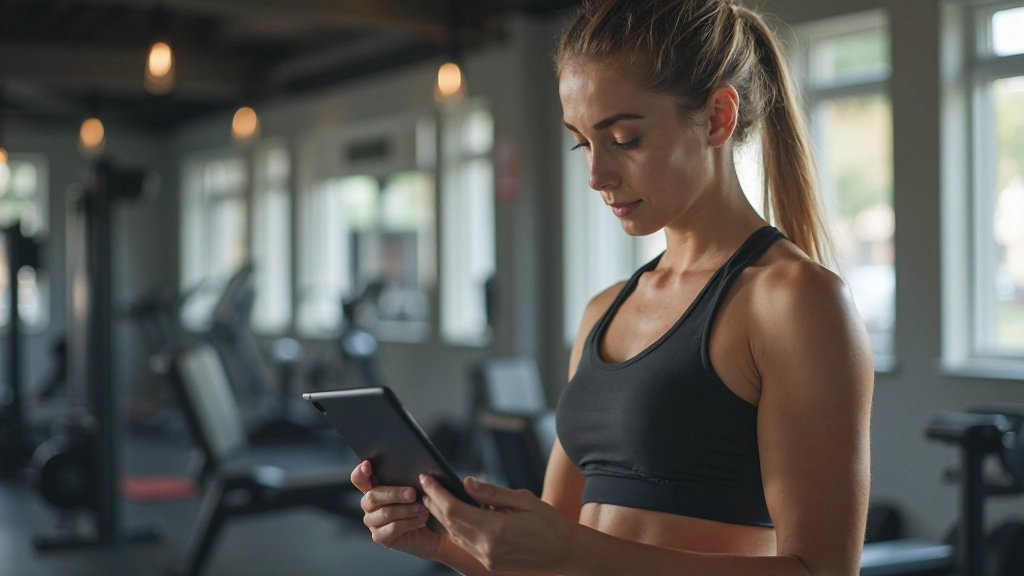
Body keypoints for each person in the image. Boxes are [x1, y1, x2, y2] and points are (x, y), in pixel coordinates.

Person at [350, 0, 874, 574]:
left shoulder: (795, 301)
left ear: (718, 118)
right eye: (582, 143)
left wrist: (573, 550)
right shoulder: (604, 310)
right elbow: (545, 562)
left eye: (624, 139)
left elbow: (824, 570)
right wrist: (439, 543)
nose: (597, 175)